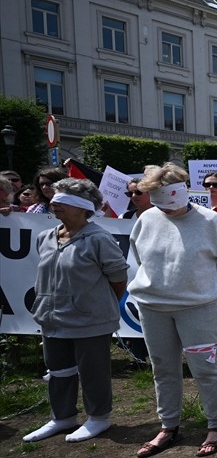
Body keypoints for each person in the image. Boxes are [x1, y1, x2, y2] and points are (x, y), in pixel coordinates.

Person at [129, 163, 217, 458]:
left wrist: (213, 290)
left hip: (198, 309)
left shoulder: (210, 221)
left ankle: (216, 424)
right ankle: (168, 425)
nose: (167, 211)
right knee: (163, 368)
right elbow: (139, 256)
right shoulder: (146, 220)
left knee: (204, 368)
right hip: (153, 307)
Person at [23, 179, 128, 443]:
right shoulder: (45, 237)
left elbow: (118, 278)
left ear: (84, 209)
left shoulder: (99, 239)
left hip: (90, 318)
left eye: (64, 202)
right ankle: (62, 417)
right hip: (51, 317)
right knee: (58, 370)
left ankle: (98, 417)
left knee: (93, 370)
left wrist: (95, 305)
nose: (55, 205)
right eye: (55, 201)